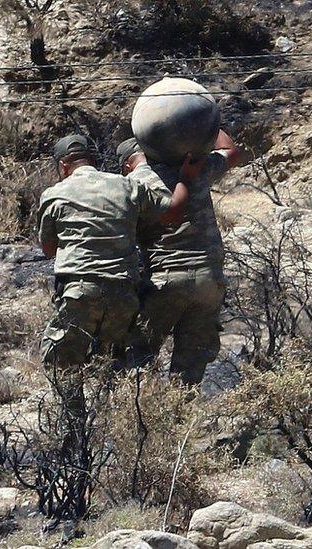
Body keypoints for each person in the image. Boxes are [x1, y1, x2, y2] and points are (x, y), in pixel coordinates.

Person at [37, 134, 194, 383]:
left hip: (80, 291)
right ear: (94, 160)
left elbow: (48, 248)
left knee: (62, 361)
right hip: (124, 293)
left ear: (63, 164)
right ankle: (113, 415)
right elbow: (173, 211)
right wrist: (187, 178)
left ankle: (75, 420)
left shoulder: (54, 194)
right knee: (111, 363)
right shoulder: (125, 185)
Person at [119, 130, 244, 385]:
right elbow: (231, 151)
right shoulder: (197, 168)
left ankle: (141, 417)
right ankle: (183, 419)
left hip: (165, 282)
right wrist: (204, 122)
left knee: (137, 358)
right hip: (210, 282)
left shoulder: (133, 183)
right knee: (191, 367)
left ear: (126, 165)